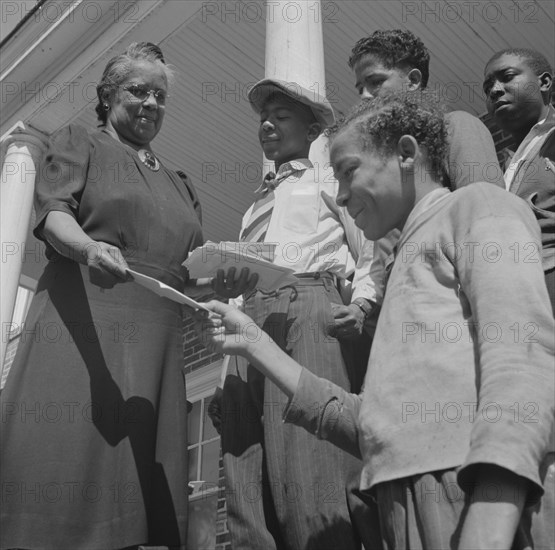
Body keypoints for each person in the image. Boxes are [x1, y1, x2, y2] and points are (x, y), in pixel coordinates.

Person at [195, 91, 555, 550]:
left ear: (405, 153)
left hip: (475, 502)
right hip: (402, 508)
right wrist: (253, 343)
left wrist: (488, 521)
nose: (340, 195)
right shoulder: (401, 261)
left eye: (348, 172)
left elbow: (522, 367)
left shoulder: (479, 207)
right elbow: (374, 426)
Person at [0, 42, 204, 550]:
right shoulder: (78, 141)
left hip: (158, 341)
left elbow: (195, 268)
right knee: (63, 465)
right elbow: (51, 216)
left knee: (140, 493)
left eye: (160, 95)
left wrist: (229, 285)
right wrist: (90, 249)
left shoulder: (182, 183)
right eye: (139, 90)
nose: (151, 103)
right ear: (108, 95)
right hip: (84, 321)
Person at [211, 79, 378, 550]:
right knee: (245, 470)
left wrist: (362, 302)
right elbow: (245, 292)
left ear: (312, 129)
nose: (268, 124)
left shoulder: (331, 178)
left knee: (308, 464)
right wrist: (229, 374)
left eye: (282, 117)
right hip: (253, 321)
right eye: (264, 118)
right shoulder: (253, 206)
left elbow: (368, 247)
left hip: (307, 310)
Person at [483, 47, 555, 313]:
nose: (495, 90)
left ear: (544, 83)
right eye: (488, 86)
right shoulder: (502, 167)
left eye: (507, 77)